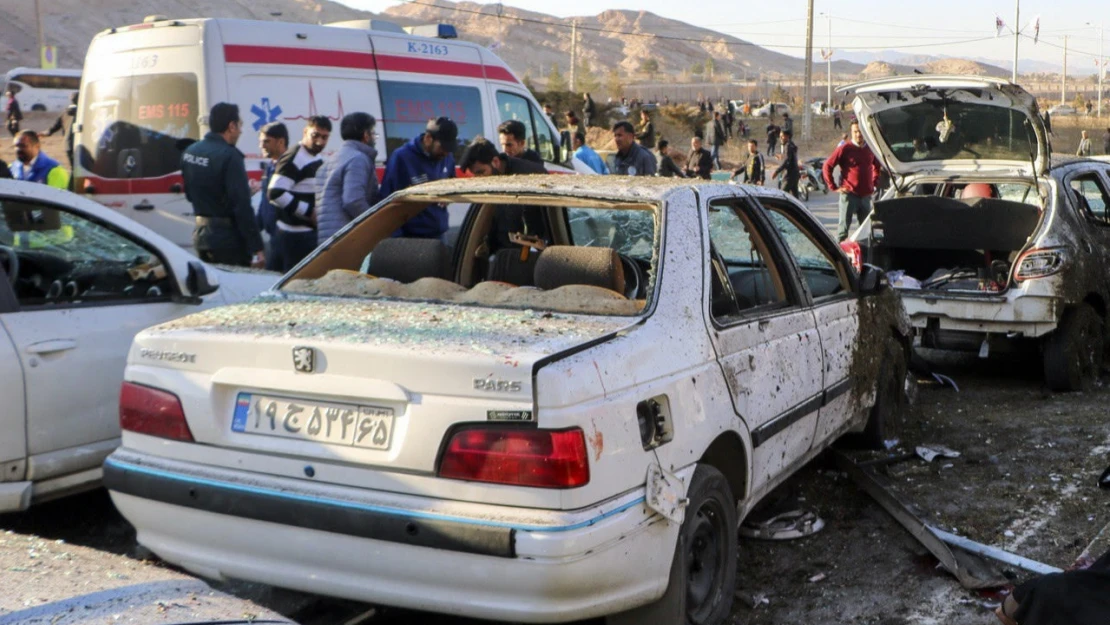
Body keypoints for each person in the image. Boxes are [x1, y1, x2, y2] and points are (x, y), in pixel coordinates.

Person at [181, 102, 265, 268]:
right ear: (231, 126)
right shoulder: (230, 156)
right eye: (240, 125)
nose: (241, 131)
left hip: (201, 236)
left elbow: (191, 194)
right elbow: (241, 206)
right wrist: (257, 247)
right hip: (228, 242)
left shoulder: (191, 151)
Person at [458, 138, 547, 252]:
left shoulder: (528, 176)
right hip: (500, 250)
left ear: (495, 162)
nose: (479, 179)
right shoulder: (490, 179)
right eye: (475, 175)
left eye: (481, 172)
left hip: (527, 250)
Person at [266, 115, 331, 271]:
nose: (320, 141)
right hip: (294, 237)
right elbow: (275, 193)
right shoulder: (295, 156)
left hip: (304, 234)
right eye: (315, 135)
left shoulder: (315, 156)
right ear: (305, 132)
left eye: (324, 137)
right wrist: (310, 212)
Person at [380, 116, 458, 239]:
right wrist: (398, 240)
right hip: (412, 238)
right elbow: (387, 201)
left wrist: (449, 196)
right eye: (442, 148)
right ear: (428, 138)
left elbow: (453, 182)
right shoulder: (402, 157)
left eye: (449, 149)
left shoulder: (447, 157)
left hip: (439, 234)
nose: (446, 153)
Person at [315, 112, 379, 244]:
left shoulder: (329, 161)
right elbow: (353, 200)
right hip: (347, 239)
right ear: (366, 135)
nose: (374, 138)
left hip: (327, 240)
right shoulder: (358, 159)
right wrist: (374, 223)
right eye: (373, 134)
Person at [823, 121, 882, 241]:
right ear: (851, 132)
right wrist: (833, 186)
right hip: (849, 195)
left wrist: (874, 184)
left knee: (865, 232)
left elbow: (877, 166)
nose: (858, 134)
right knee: (842, 232)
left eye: (860, 131)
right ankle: (838, 256)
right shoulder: (845, 148)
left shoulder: (870, 148)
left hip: (866, 196)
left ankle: (863, 257)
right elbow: (827, 166)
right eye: (855, 131)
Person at [255, 122, 288, 247]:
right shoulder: (269, 167)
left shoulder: (289, 168)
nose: (261, 146)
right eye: (261, 141)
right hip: (274, 237)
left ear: (280, 142)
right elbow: (265, 203)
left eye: (266, 141)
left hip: (286, 238)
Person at [45, 91, 78, 170]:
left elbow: (54, 127)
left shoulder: (64, 113)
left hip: (67, 144)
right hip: (79, 145)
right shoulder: (82, 112)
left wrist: (46, 132)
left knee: (73, 169)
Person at [772, 130, 800, 199]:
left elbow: (787, 160)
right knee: (795, 196)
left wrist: (777, 171)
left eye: (782, 136)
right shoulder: (791, 144)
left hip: (790, 174)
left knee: (782, 195)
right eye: (780, 136)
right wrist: (781, 157)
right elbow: (788, 158)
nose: (780, 138)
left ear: (787, 136)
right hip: (794, 173)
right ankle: (797, 209)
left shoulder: (788, 146)